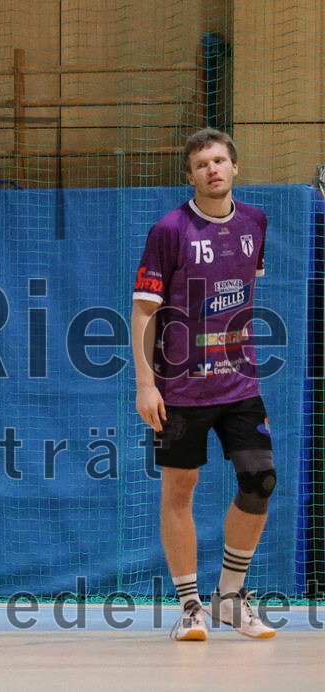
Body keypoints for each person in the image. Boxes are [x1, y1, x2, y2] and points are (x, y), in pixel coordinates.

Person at [131, 128, 276, 641]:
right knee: (181, 488)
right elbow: (145, 311)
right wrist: (146, 384)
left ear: (234, 167)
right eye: (201, 164)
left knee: (259, 481)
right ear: (190, 176)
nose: (212, 169)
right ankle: (191, 606)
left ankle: (229, 598)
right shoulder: (169, 230)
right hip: (180, 389)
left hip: (239, 383)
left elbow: (242, 290)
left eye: (220, 161)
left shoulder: (255, 222)